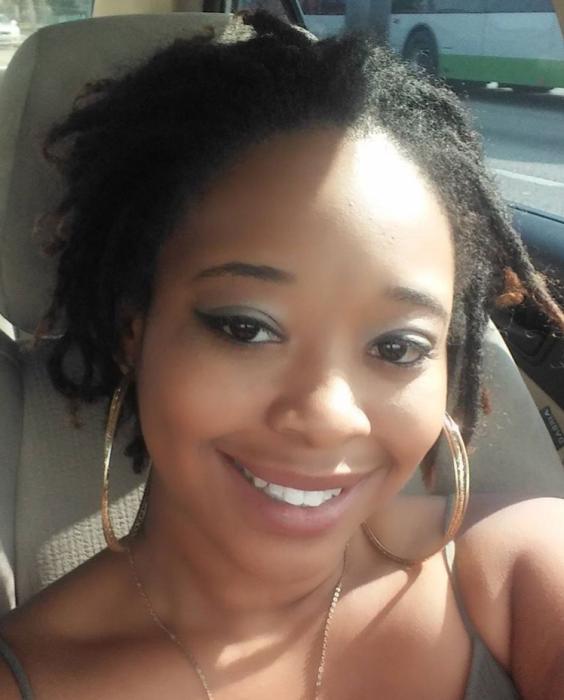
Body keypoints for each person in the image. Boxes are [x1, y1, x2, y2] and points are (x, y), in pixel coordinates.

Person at [1, 9, 563, 699]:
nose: (327, 417)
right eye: (245, 328)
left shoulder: (523, 563)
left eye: (397, 346)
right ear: (133, 331)